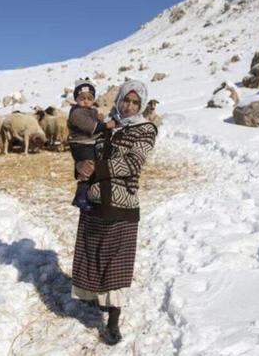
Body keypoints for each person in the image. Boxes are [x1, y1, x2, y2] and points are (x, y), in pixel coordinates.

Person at [70, 80, 158, 346]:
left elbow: (132, 163)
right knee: (94, 255)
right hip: (94, 203)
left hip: (122, 205)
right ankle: (97, 300)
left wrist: (96, 168)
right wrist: (81, 167)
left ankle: (113, 323)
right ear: (118, 99)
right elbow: (87, 154)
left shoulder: (146, 129)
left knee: (116, 264)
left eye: (135, 102)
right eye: (125, 100)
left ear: (141, 105)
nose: (128, 106)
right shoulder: (108, 125)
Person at [67, 79, 117, 211]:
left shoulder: (91, 110)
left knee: (93, 168)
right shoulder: (76, 113)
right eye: (82, 98)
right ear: (76, 99)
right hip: (81, 145)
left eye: (89, 98)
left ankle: (88, 195)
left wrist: (99, 118)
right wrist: (106, 125)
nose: (86, 101)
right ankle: (81, 197)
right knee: (88, 168)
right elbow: (90, 126)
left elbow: (95, 119)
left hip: (89, 143)